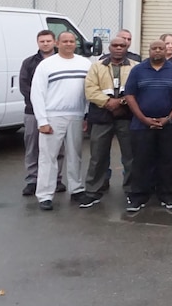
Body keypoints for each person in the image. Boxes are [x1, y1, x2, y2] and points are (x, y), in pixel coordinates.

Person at [29, 31, 91, 210]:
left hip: (77, 115)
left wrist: (86, 114)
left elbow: (88, 92)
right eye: (65, 41)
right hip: (52, 116)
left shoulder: (85, 63)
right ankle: (45, 195)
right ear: (57, 43)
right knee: (48, 157)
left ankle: (76, 189)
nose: (69, 44)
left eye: (72, 41)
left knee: (75, 155)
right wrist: (42, 120)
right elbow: (37, 93)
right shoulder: (46, 65)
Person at [124, 39, 172, 213]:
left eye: (161, 48)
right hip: (141, 125)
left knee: (168, 160)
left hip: (168, 125)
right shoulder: (138, 70)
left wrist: (169, 118)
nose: (157, 51)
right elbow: (130, 96)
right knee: (141, 161)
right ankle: (138, 197)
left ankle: (166, 195)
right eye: (154, 48)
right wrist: (143, 119)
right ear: (149, 51)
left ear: (167, 50)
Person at [78, 35, 135, 207]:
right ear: (109, 48)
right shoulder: (96, 66)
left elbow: (138, 88)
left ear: (127, 48)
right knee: (98, 156)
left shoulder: (136, 67)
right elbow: (90, 89)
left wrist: (122, 102)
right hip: (101, 116)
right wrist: (108, 102)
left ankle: (132, 190)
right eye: (115, 45)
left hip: (126, 116)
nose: (118, 48)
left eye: (122, 45)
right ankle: (93, 191)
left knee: (131, 156)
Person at [19, 29, 59, 197]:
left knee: (57, 148)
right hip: (33, 112)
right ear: (38, 43)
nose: (45, 44)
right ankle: (32, 180)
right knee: (33, 147)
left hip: (56, 111)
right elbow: (24, 86)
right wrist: (39, 104)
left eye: (48, 41)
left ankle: (57, 179)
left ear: (54, 42)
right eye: (42, 41)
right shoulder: (29, 63)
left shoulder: (61, 61)